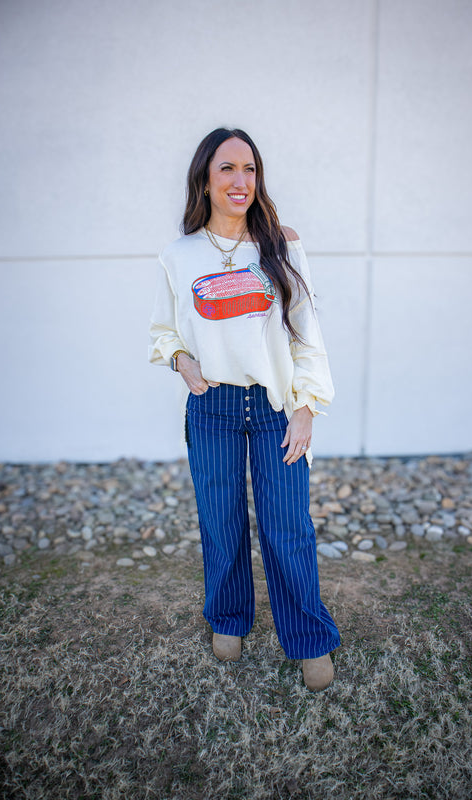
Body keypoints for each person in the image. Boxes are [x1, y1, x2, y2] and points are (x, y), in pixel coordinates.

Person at [148, 128, 340, 691]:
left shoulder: (281, 244)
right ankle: (229, 617)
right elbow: (163, 332)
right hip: (213, 408)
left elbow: (307, 334)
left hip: (277, 405)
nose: (240, 181)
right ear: (205, 180)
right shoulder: (178, 256)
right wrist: (181, 360)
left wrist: (306, 408)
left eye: (250, 169)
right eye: (227, 169)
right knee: (221, 522)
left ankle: (307, 637)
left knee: (288, 528)